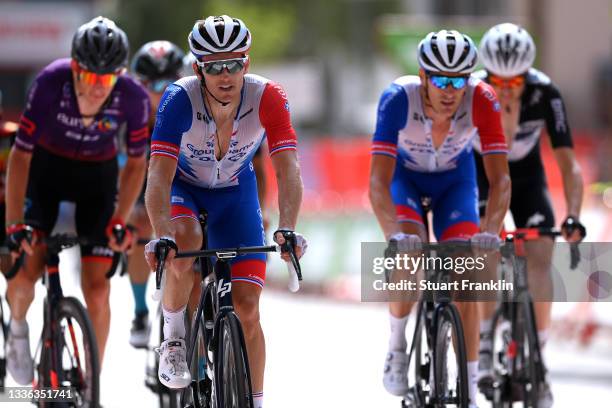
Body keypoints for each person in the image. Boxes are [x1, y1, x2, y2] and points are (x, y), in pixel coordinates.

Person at [143, 15, 307, 408]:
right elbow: (159, 177)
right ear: (198, 68)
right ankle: (174, 336)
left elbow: (288, 169)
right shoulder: (179, 98)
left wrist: (287, 228)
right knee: (184, 242)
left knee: (248, 308)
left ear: (246, 63)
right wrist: (160, 231)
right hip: (185, 190)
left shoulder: (267, 96)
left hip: (236, 193)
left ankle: (256, 400)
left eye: (233, 63)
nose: (225, 74)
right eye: (214, 66)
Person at [369, 30, 510, 407]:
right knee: (410, 256)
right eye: (441, 79)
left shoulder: (483, 99)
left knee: (466, 275)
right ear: (422, 75)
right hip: (405, 180)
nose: (450, 90)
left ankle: (469, 382)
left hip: (455, 183)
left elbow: (500, 179)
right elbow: (378, 183)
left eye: (459, 80)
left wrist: (491, 231)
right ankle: (397, 344)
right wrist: (394, 235)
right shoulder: (398, 98)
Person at [4, 16, 148, 384]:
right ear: (74, 69)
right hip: (46, 175)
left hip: (95, 183)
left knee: (98, 291)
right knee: (25, 275)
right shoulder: (51, 83)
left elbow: (135, 164)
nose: (98, 88)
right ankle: (18, 330)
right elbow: (20, 157)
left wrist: (120, 219)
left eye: (107, 79)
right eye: (89, 78)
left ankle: (91, 379)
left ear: (119, 75)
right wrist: (14, 224)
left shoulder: (132, 97)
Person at [475, 23, 586, 407]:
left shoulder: (545, 93)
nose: (505, 86)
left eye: (516, 79)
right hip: (481, 175)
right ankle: (486, 340)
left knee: (540, 259)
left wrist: (572, 215)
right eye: (496, 79)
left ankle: (538, 356)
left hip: (526, 180)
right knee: (485, 253)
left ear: (530, 73)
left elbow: (568, 164)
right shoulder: (472, 92)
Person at [127, 40, 186, 348]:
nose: (159, 91)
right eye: (151, 84)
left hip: (182, 184)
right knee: (137, 223)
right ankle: (140, 311)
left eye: (168, 82)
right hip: (142, 182)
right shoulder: (130, 113)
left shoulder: (192, 105)